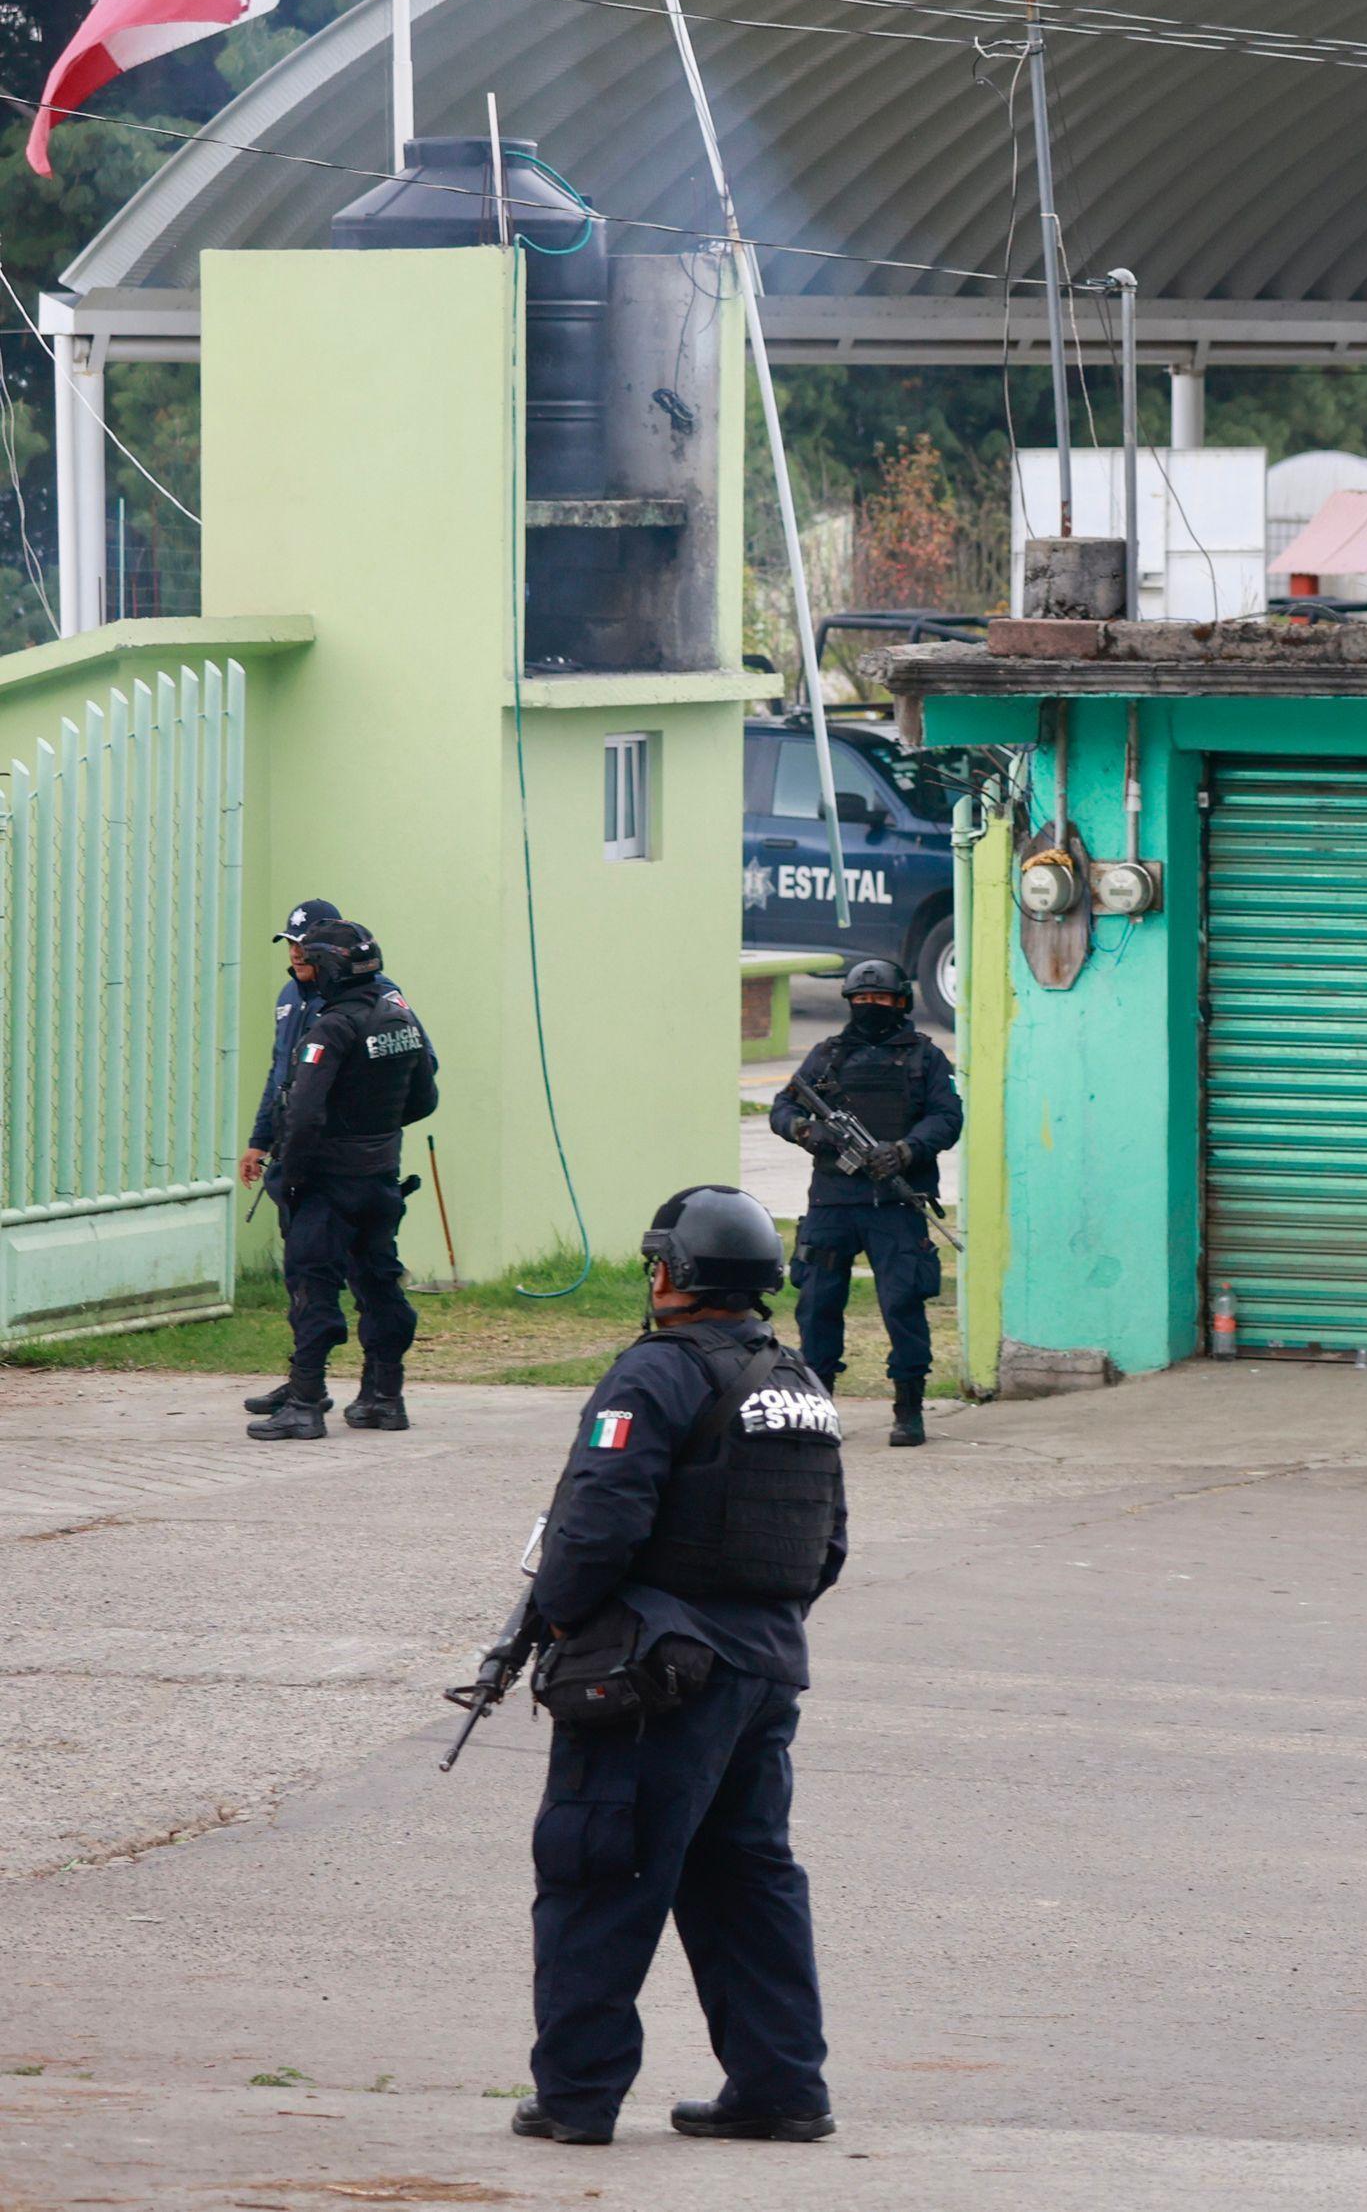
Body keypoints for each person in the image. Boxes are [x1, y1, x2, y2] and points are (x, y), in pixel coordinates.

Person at [512, 1184, 847, 2149]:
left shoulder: (653, 1374)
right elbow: (824, 1548)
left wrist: (570, 1625)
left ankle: (576, 2097)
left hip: (657, 1679)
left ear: (675, 1275)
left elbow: (595, 1523)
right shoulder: (800, 1381)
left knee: (596, 1869)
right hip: (764, 1671)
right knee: (746, 1879)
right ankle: (781, 2088)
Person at [246, 920, 436, 1440]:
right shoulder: (400, 1014)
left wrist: (294, 1176)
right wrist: (373, 1133)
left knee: (313, 1284)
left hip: (328, 1180)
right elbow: (425, 1098)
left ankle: (305, 1402)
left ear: (331, 968)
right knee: (379, 1283)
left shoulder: (331, 1027)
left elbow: (303, 1116)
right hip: (380, 1177)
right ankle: (384, 1398)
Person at [767, 959, 960, 1447]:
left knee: (903, 1303)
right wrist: (805, 1130)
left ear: (901, 1003)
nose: (871, 1008)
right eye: (862, 1001)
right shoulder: (826, 1057)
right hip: (833, 1204)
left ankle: (908, 1409)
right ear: (850, 1004)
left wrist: (905, 1150)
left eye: (882, 1001)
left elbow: (947, 1118)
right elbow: (783, 1107)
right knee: (817, 1304)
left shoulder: (925, 1058)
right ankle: (818, 1406)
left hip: (896, 1204)